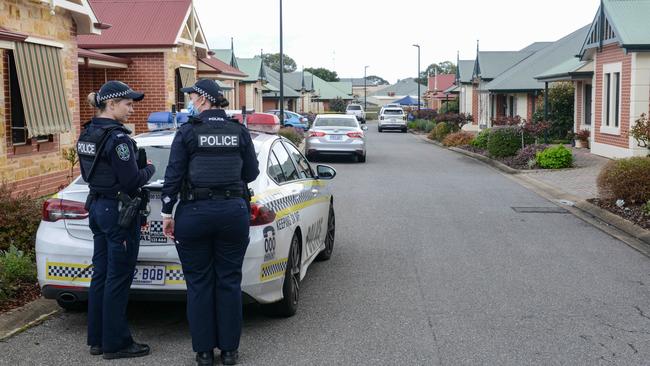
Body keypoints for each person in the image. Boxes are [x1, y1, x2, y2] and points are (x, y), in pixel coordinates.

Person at [161, 79, 259, 366]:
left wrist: (167, 214)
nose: (190, 101)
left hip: (194, 215)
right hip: (232, 213)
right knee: (228, 281)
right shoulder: (239, 131)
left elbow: (173, 175)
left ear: (204, 99)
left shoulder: (188, 132)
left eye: (191, 97)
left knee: (199, 283)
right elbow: (251, 173)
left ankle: (203, 352)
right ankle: (229, 351)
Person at [77, 81, 155, 360]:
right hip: (118, 213)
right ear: (111, 104)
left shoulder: (88, 132)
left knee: (100, 274)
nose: (132, 109)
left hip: (98, 207)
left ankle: (97, 339)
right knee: (118, 279)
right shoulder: (118, 138)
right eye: (128, 104)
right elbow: (132, 180)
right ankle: (116, 343)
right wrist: (149, 169)